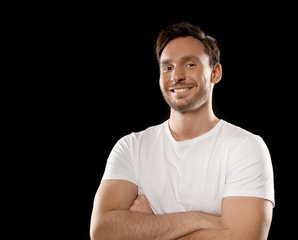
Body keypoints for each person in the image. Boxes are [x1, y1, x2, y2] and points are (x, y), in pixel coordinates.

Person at [90, 21, 275, 240]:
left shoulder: (244, 147)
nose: (176, 76)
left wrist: (150, 223)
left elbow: (245, 238)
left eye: (190, 65)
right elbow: (102, 230)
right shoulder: (131, 147)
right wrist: (201, 219)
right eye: (167, 67)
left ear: (215, 73)